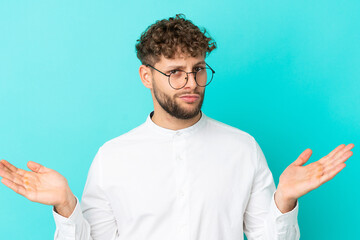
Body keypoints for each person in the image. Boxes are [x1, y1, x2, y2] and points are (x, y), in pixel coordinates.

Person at [0, 14, 354, 240]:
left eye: (198, 69)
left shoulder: (242, 148)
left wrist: (284, 201)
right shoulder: (112, 157)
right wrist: (65, 205)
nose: (191, 82)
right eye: (175, 72)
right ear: (146, 76)